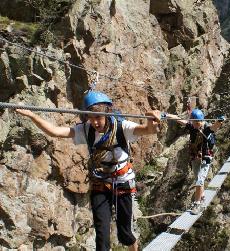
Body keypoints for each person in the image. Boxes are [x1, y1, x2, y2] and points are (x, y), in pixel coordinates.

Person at [15, 91, 161, 251]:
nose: (95, 122)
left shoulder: (121, 127)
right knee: (102, 235)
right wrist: (31, 115)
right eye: (91, 117)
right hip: (101, 184)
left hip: (123, 182)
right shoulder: (86, 130)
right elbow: (55, 132)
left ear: (106, 113)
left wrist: (151, 120)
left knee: (125, 233)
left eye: (98, 117)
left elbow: (147, 130)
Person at [164, 109, 224, 214]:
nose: (196, 124)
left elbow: (215, 127)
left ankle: (197, 204)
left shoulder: (206, 129)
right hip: (195, 157)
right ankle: (203, 196)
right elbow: (179, 119)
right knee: (197, 178)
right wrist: (166, 115)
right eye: (194, 122)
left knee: (199, 180)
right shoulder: (191, 126)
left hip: (205, 158)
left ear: (202, 120)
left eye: (198, 122)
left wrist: (219, 121)